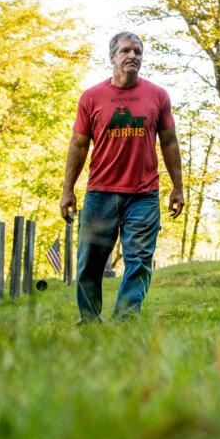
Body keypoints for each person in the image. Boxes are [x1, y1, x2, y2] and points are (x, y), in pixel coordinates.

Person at [60, 31, 184, 321]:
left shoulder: (158, 95)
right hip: (100, 193)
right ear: (112, 56)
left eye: (138, 52)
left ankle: (125, 321)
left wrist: (178, 187)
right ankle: (89, 322)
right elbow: (78, 145)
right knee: (90, 263)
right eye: (126, 51)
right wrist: (68, 190)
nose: (133, 56)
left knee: (139, 261)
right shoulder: (91, 97)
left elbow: (170, 142)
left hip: (143, 195)